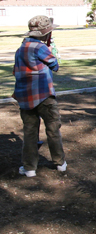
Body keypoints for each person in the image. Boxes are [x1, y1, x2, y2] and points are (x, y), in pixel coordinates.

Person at [13, 15, 67, 177]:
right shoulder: (40, 48)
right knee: (52, 129)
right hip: (44, 96)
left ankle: (29, 168)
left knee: (30, 132)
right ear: (46, 34)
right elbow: (55, 65)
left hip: (25, 97)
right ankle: (60, 163)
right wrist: (51, 52)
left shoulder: (21, 48)